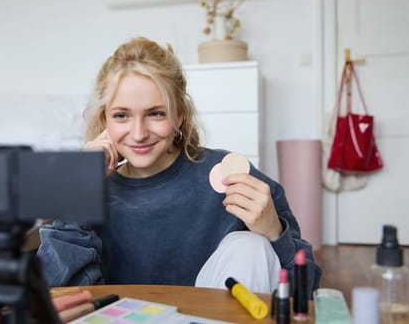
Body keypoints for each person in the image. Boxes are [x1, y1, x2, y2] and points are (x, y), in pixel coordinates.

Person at [37, 37, 321, 294]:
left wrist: (274, 231)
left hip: (212, 314)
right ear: (105, 118)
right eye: (122, 115)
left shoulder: (229, 174)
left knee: (252, 246)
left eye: (156, 114)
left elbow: (306, 292)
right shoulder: (91, 189)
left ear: (180, 116)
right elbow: (58, 295)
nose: (138, 133)